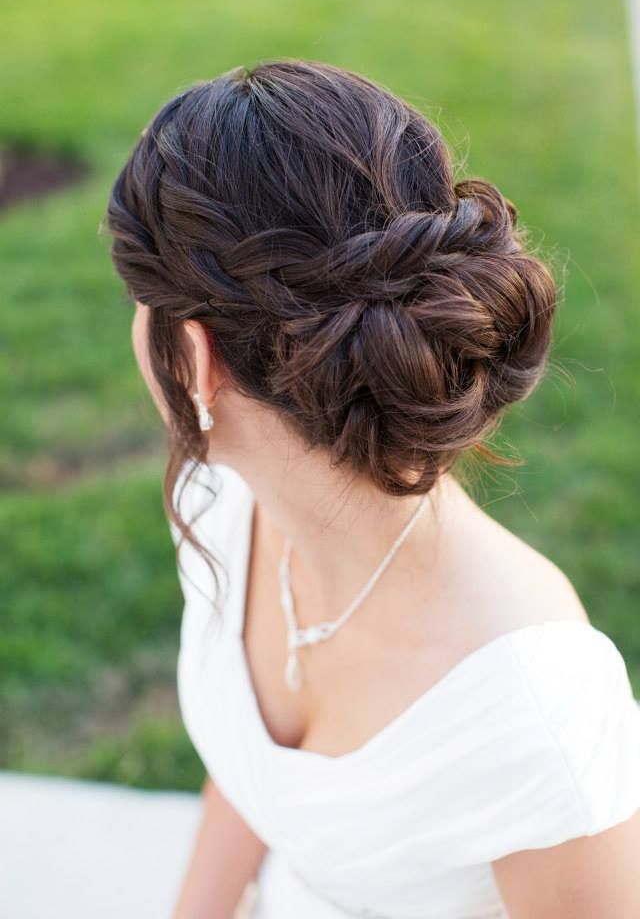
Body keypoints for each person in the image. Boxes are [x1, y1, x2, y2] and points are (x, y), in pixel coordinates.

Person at [104, 59, 640, 918]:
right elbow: (251, 776)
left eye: (139, 300)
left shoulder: (533, 706)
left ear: (196, 361)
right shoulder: (221, 502)